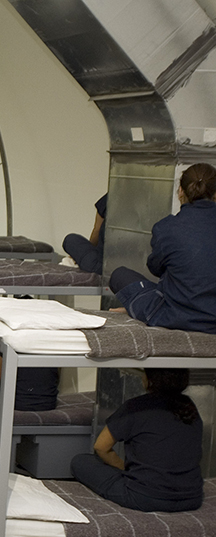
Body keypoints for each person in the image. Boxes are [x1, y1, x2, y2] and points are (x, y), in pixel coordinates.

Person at [71, 369, 204, 513]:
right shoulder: (189, 406)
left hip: (145, 498)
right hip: (192, 498)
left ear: (149, 380)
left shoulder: (137, 406)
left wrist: (123, 468)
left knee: (80, 461)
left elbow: (101, 447)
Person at [108, 163, 216, 334]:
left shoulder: (167, 227)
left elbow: (155, 268)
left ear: (180, 191)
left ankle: (134, 308)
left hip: (174, 317)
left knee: (120, 275)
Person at [62, 194, 106, 275]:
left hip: (102, 266)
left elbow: (97, 231)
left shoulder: (110, 198)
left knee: (70, 239)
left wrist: (81, 254)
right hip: (128, 270)